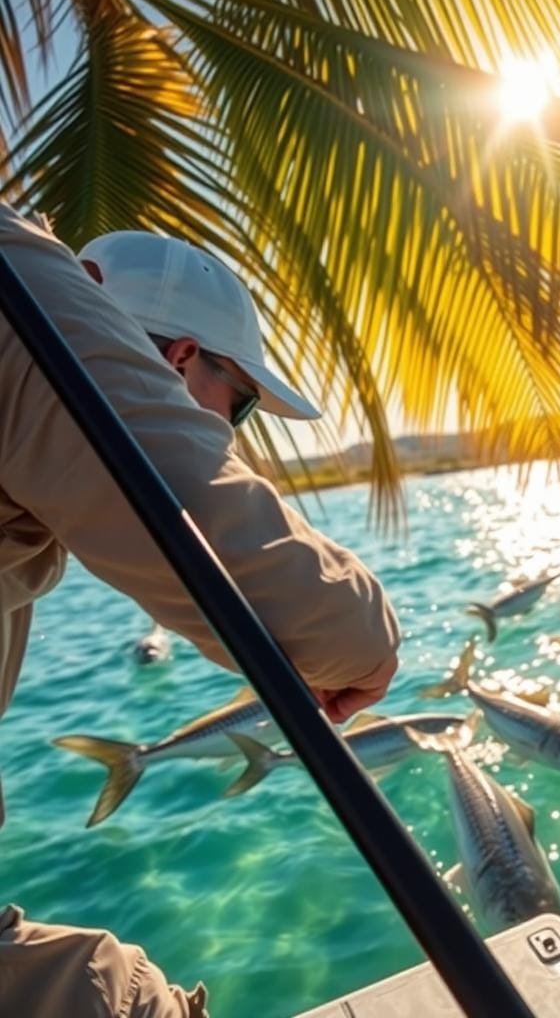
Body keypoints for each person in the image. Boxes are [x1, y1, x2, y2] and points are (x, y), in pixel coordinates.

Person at [0, 204, 401, 1016]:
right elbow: (323, 622)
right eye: (242, 403)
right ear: (178, 360)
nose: (234, 433)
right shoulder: (25, 302)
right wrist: (371, 656)